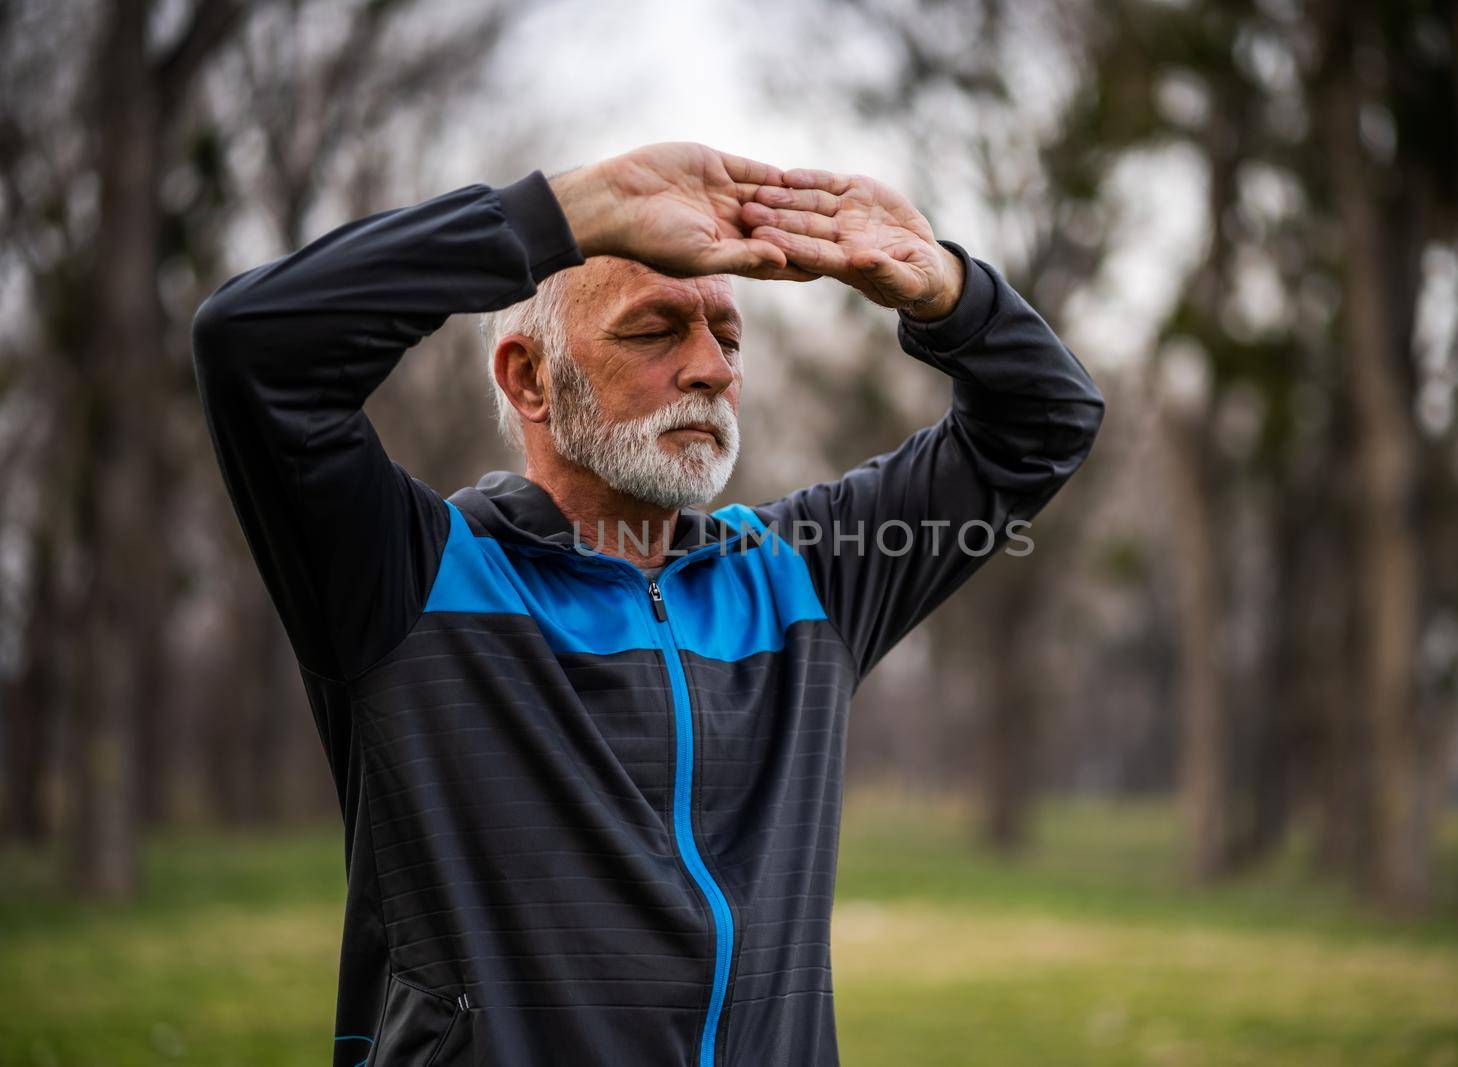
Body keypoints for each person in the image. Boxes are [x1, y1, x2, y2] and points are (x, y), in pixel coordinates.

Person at [191, 141, 1103, 1067]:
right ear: (529, 378)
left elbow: (1042, 423)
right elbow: (255, 345)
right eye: (655, 329)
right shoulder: (406, 578)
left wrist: (943, 287)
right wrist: (565, 214)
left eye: (728, 336)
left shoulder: (801, 580)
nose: (711, 367)